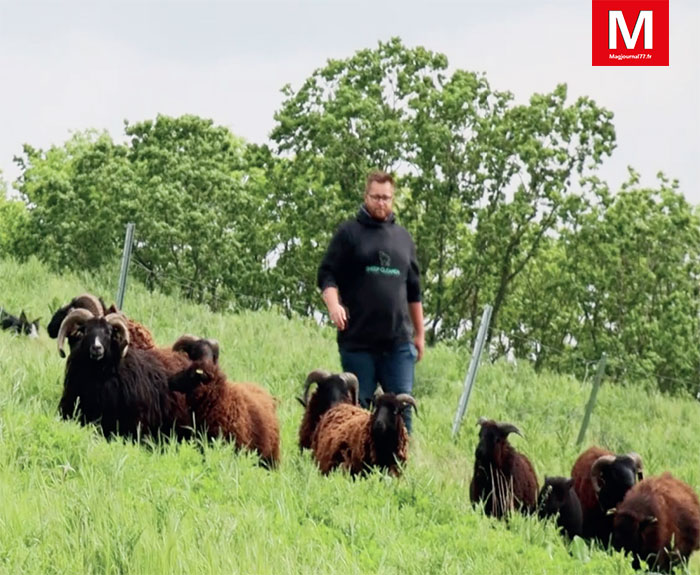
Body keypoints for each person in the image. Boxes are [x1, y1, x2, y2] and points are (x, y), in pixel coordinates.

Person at [317, 170, 424, 433]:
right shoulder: (349, 233)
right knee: (358, 408)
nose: (381, 203)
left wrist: (419, 334)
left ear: (393, 199)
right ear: (366, 196)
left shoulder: (403, 238)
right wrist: (334, 306)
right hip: (358, 342)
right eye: (376, 197)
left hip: (398, 343)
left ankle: (400, 467)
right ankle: (357, 465)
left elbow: (414, 291)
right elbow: (326, 274)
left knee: (402, 407)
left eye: (386, 198)